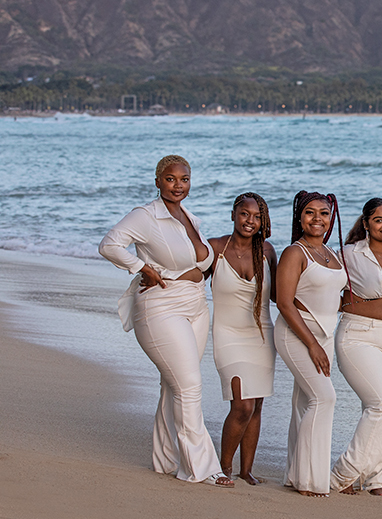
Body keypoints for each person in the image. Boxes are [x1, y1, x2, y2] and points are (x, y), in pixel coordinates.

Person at [98, 155, 233, 487]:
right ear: (157, 181)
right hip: (161, 307)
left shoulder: (189, 217)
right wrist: (142, 268)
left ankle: (165, 459)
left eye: (184, 179)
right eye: (170, 179)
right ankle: (203, 468)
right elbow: (110, 244)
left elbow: (201, 263)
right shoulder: (146, 216)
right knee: (189, 386)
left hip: (196, 306)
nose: (178, 185)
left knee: (173, 384)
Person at [332, 198, 382, 496]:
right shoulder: (349, 254)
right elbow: (320, 282)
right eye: (378, 219)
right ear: (365, 224)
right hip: (358, 336)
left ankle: (376, 477)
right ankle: (342, 475)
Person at [274, 191, 348, 497]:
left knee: (304, 403)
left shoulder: (331, 252)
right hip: (296, 334)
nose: (317, 219)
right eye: (310, 212)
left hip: (325, 334)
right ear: (299, 217)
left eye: (324, 213)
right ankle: (309, 479)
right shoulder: (295, 253)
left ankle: (295, 473)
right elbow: (284, 303)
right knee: (324, 398)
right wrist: (313, 345)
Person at [206, 192, 277, 486]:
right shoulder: (215, 248)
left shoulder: (268, 251)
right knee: (242, 406)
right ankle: (223, 467)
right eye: (245, 214)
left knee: (256, 405)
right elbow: (191, 280)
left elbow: (279, 296)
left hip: (262, 336)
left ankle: (246, 470)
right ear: (233, 214)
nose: (250, 221)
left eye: (257, 217)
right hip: (228, 336)